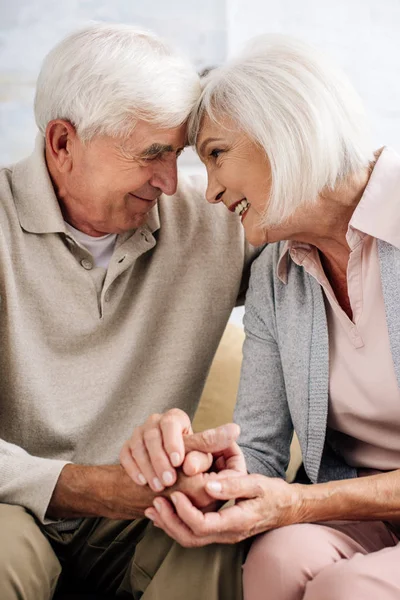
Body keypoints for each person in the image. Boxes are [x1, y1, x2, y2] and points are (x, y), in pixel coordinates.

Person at [131, 35, 400, 600]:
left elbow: (299, 498)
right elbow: (262, 450)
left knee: (347, 589)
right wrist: (212, 469)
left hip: (347, 509)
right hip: (365, 516)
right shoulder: (276, 276)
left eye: (217, 154)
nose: (209, 194)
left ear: (284, 128)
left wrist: (306, 502)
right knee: (277, 557)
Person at [0, 23, 255, 600]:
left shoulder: (215, 221)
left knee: (220, 526)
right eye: (151, 154)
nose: (171, 182)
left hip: (141, 516)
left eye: (180, 154)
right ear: (63, 143)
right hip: (10, 506)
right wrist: (84, 487)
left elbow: (320, 225)